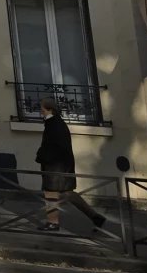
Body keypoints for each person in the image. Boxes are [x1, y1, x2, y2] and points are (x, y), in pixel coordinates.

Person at [37, 97, 106, 233]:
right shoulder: (57, 123)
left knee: (50, 193)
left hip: (55, 166)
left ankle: (53, 222)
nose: (41, 111)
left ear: (49, 109)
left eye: (42, 108)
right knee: (68, 193)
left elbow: (52, 146)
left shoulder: (53, 124)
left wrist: (41, 156)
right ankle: (95, 217)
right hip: (63, 165)